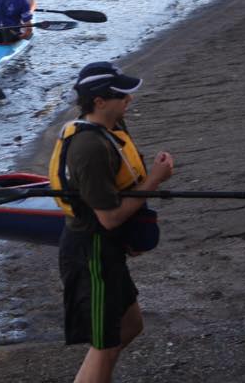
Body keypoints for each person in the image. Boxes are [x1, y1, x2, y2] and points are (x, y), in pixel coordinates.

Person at [49, 62, 174, 383]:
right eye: (122, 95)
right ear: (99, 102)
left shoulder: (110, 129)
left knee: (130, 326)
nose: (128, 100)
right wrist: (155, 180)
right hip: (90, 254)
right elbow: (109, 217)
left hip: (108, 248)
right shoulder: (89, 147)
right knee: (106, 344)